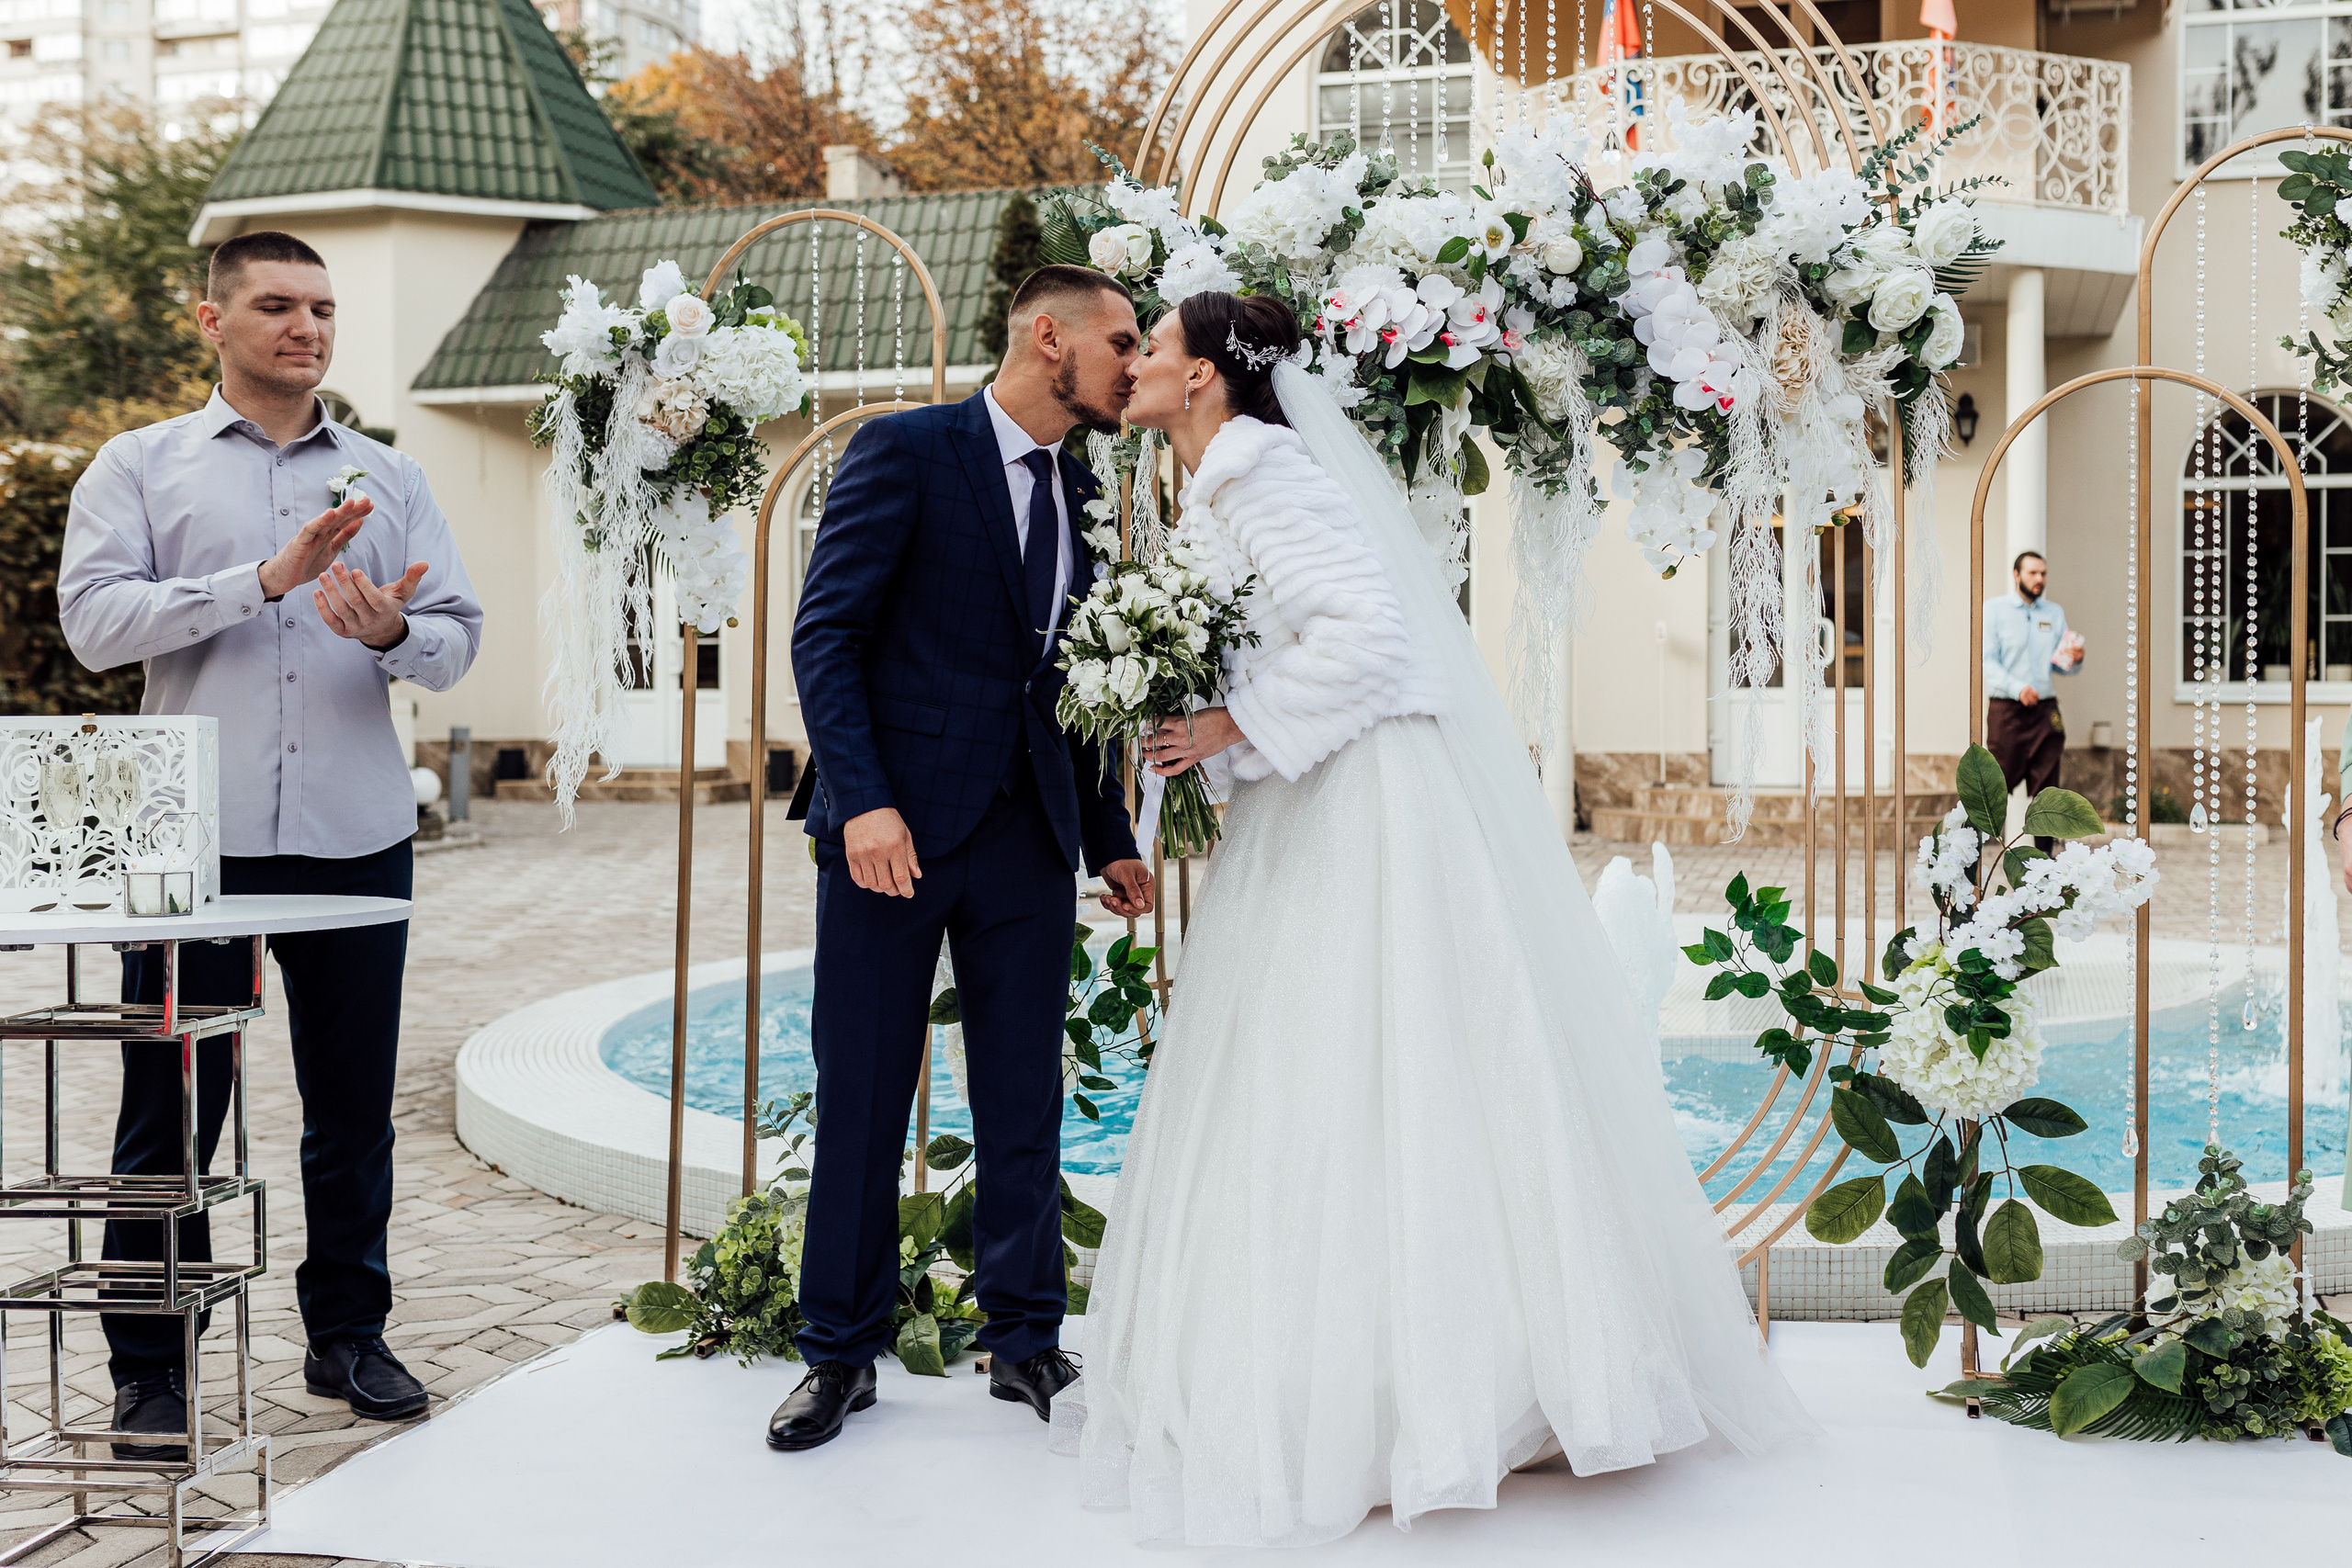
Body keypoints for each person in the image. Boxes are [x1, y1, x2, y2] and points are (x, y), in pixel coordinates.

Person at [1056, 293, 1815, 1547]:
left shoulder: (1261, 476)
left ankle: (1449, 1390)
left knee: (1379, 1063)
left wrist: (1223, 727)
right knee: (1321, 1074)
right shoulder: (1221, 477)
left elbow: (1374, 633)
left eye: (1155, 350)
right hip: (1309, 793)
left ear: (1205, 381)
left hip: (1359, 806)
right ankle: (1356, 1373)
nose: (1131, 366)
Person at [59, 231, 481, 1458]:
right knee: (168, 1113)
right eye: (279, 305)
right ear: (212, 320)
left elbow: (457, 635)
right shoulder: (139, 466)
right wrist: (261, 578)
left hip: (356, 833)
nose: (307, 327)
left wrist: (398, 627)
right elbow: (92, 622)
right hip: (186, 835)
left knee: (353, 1109)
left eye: (323, 309)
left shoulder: (388, 475)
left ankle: (350, 1331)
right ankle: (149, 1368)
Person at [775, 265, 1156, 1452]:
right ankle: (837, 1352)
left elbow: (1078, 680)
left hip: (1029, 838)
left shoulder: (1090, 491)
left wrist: (1110, 837)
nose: (1135, 365)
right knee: (865, 1097)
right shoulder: (906, 450)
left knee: (1022, 1099)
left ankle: (1025, 1335)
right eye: (1122, 342)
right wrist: (867, 803)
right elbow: (825, 634)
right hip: (890, 838)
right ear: (1049, 338)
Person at [1983, 549, 2084, 849]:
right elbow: (1987, 661)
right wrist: (2017, 688)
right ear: (2016, 575)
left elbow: (2061, 663)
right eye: (2032, 573)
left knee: (2047, 789)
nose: (2039, 579)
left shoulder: (2053, 613)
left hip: (2045, 712)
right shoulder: (1994, 610)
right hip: (2008, 712)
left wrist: (2075, 659)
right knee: (1994, 787)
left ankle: (2044, 867)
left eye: (2043, 574)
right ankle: (1968, 859)